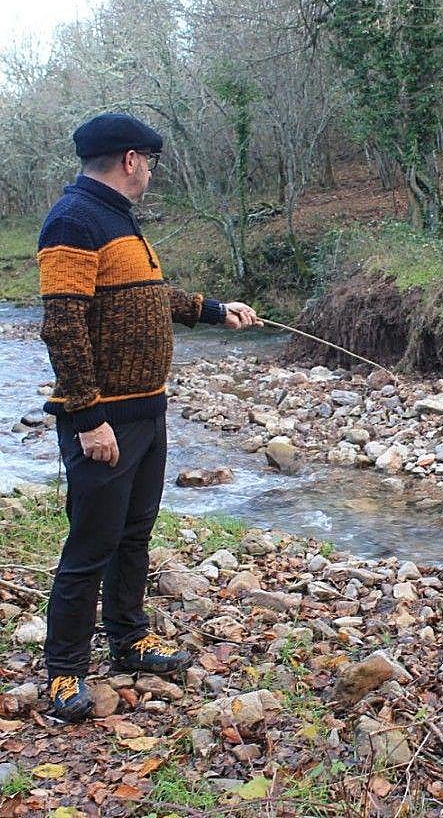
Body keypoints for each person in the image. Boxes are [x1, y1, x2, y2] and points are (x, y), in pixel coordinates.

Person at [36, 113, 262, 722]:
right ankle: (63, 673)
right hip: (105, 417)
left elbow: (144, 297)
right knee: (91, 544)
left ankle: (129, 637)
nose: (153, 173)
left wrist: (214, 310)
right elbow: (63, 324)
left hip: (146, 409)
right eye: (152, 163)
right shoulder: (73, 220)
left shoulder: (116, 220)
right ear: (132, 159)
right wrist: (88, 417)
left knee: (134, 533)